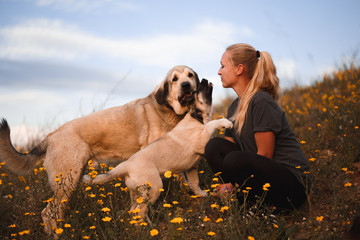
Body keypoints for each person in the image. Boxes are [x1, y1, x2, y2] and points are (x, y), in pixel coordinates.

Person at [204, 43, 310, 210]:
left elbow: (265, 154)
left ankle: (253, 201)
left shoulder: (261, 101)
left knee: (234, 160)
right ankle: (247, 202)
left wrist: (232, 184)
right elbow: (226, 151)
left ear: (239, 69)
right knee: (214, 146)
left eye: (223, 66)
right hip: (264, 179)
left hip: (292, 186)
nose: (219, 71)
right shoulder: (234, 107)